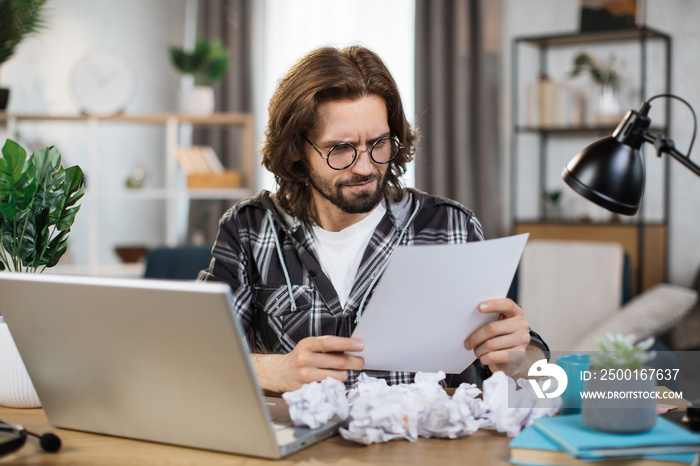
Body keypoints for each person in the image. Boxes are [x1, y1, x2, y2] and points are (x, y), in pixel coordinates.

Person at [199, 45, 548, 394]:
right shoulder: (249, 228)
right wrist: (271, 370)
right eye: (340, 149)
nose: (365, 167)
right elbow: (192, 353)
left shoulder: (450, 226)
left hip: (424, 447)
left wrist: (521, 359)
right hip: (301, 447)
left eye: (379, 143)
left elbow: (535, 388)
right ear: (295, 150)